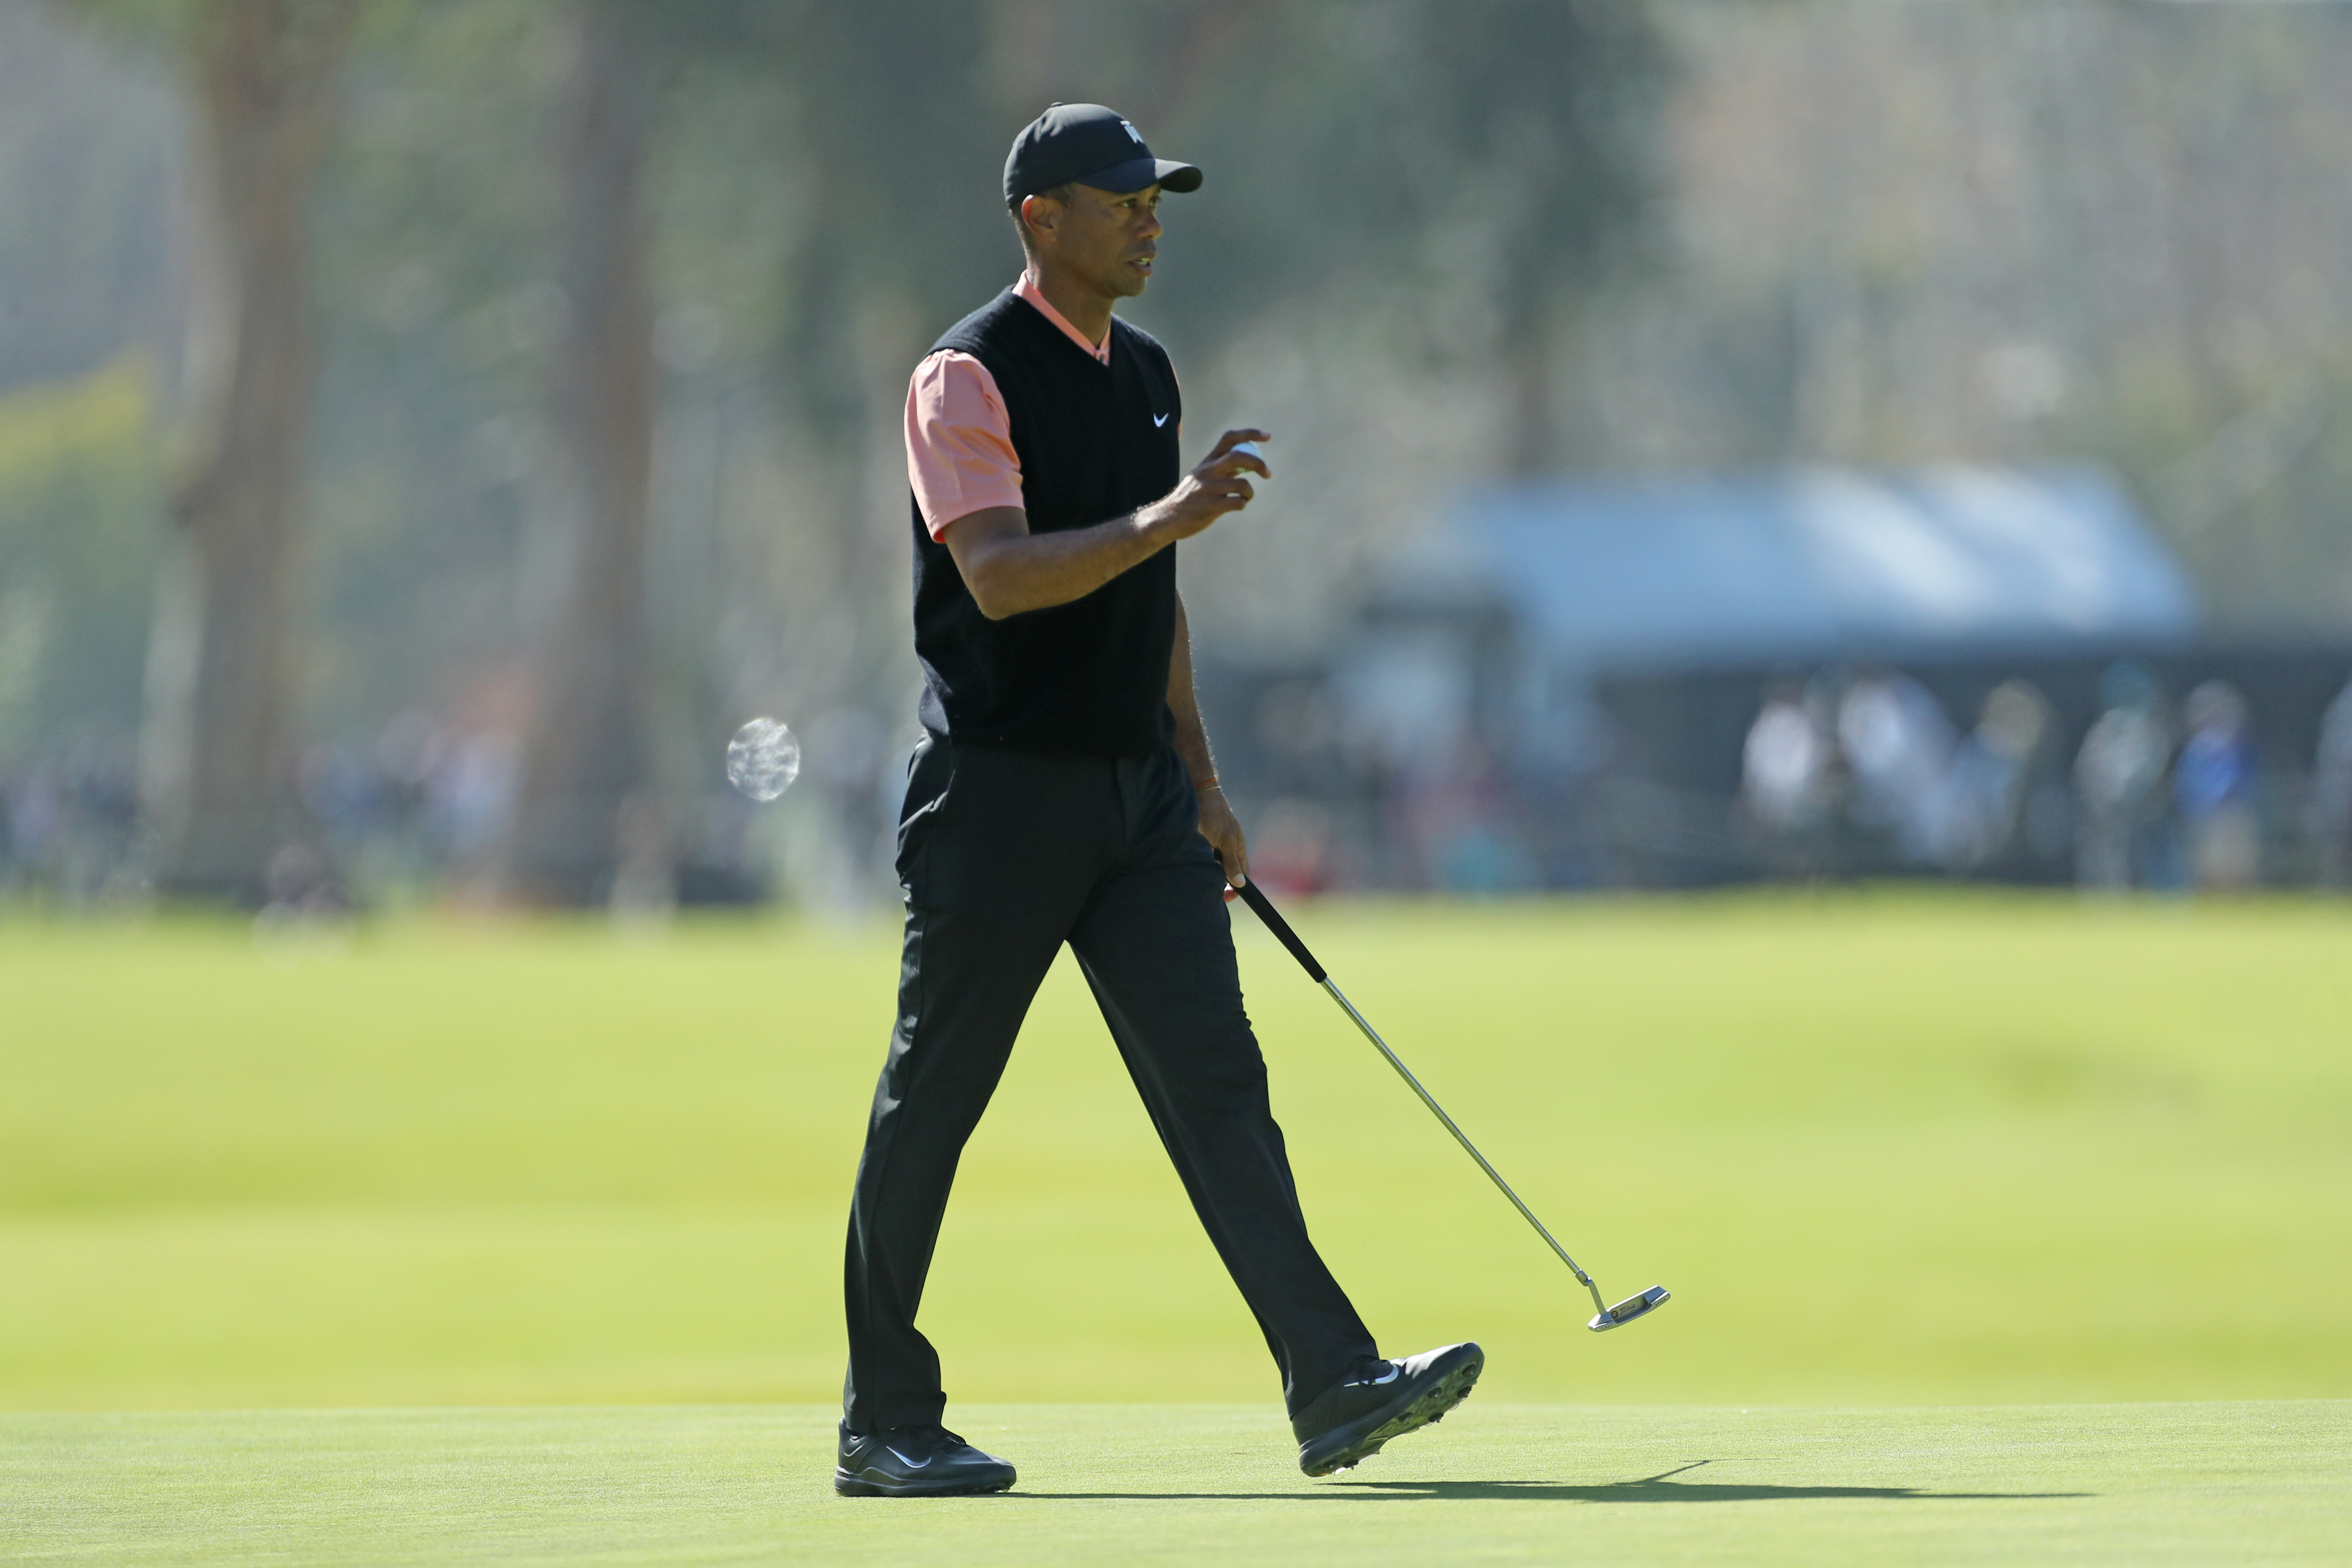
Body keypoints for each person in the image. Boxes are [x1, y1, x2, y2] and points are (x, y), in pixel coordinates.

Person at [833, 104, 1481, 1500]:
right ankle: (883, 1420)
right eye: (1119, 196)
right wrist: (1169, 518)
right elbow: (1002, 576)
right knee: (933, 1105)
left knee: (1220, 1086)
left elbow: (1151, 593)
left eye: (1155, 196)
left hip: (1139, 806)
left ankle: (1331, 1382)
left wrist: (1205, 782)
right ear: (1037, 219)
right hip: (998, 798)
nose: (1148, 216)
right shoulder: (965, 376)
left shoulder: (1147, 371)